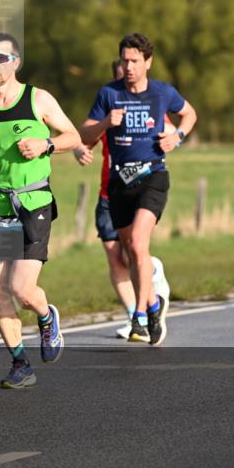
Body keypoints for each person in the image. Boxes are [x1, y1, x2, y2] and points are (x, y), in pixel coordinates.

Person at [0, 33, 80, 388]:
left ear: (15, 62)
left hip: (32, 203)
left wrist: (46, 143)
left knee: (22, 289)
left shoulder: (37, 99)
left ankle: (46, 317)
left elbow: (73, 136)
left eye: (0, 58)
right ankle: (20, 363)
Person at [80, 33, 197, 346]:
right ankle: (154, 304)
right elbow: (85, 135)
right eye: (124, 60)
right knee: (131, 250)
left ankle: (140, 317)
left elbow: (190, 113)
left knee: (140, 242)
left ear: (148, 62)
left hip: (152, 177)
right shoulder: (108, 94)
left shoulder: (162, 93)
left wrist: (178, 137)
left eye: (134, 61)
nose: (128, 66)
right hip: (119, 184)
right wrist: (106, 122)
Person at [74, 59, 172, 339]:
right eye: (120, 78)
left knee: (133, 251)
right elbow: (84, 139)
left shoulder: (150, 103)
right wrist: (79, 151)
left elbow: (169, 130)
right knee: (114, 257)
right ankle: (138, 312)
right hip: (109, 192)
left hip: (141, 186)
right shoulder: (108, 107)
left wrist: (172, 137)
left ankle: (144, 307)